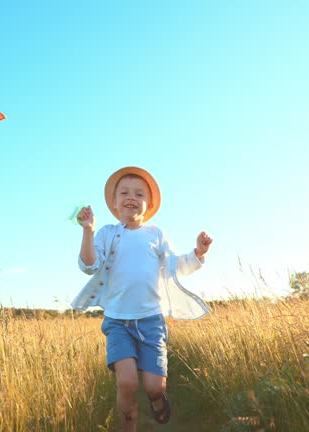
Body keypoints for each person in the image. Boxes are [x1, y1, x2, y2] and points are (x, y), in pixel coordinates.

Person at [72, 166, 213, 431]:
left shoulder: (155, 235)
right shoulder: (105, 233)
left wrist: (198, 252)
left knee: (153, 386)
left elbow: (177, 265)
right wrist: (88, 230)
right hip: (118, 322)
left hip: (151, 321)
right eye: (124, 192)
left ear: (147, 205)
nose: (131, 197)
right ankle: (130, 427)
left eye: (139, 193)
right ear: (114, 203)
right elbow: (89, 265)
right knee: (126, 383)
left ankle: (158, 400)